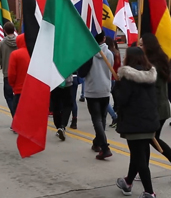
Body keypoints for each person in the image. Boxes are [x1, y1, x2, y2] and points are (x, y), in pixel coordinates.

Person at [114, 47, 160, 198]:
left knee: (140, 159)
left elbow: (122, 100)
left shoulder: (128, 77)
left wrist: (117, 88)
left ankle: (149, 192)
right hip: (149, 121)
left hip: (135, 124)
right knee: (138, 155)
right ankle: (127, 183)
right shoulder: (150, 75)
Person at [141, 33, 171, 180]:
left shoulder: (152, 65)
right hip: (161, 107)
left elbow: (150, 88)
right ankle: (141, 170)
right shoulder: (160, 60)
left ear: (148, 46)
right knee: (150, 139)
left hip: (156, 108)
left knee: (150, 139)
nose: (139, 47)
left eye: (141, 44)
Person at [78, 30, 113, 160]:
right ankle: (97, 142)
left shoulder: (88, 54)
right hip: (105, 88)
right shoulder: (109, 53)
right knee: (102, 118)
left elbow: (81, 73)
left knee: (96, 119)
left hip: (92, 90)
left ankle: (104, 147)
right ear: (104, 39)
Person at [8, 34, 30, 131]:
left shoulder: (15, 54)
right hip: (32, 87)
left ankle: (18, 126)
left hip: (19, 88)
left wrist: (12, 84)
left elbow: (12, 73)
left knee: (17, 108)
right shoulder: (34, 52)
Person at [0, 22, 17, 115]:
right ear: (14, 30)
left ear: (4, 31)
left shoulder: (1, 43)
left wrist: (3, 63)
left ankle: (14, 115)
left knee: (9, 96)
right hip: (19, 74)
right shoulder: (19, 42)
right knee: (19, 96)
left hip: (7, 73)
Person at [50, 76, 74, 141]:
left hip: (54, 82)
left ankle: (58, 126)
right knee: (68, 105)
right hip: (66, 82)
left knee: (56, 105)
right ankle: (62, 126)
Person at [105, 36, 120, 128]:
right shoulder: (116, 53)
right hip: (114, 78)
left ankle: (114, 116)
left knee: (104, 100)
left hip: (108, 78)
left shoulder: (108, 54)